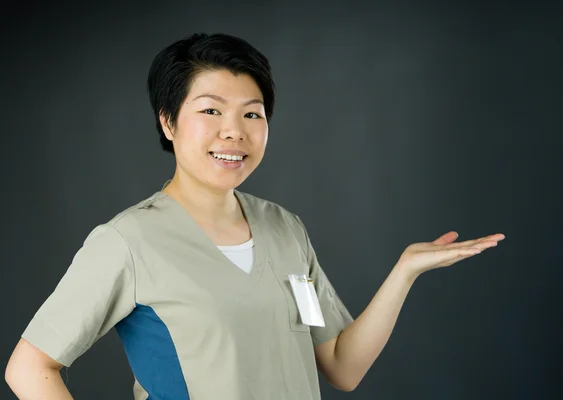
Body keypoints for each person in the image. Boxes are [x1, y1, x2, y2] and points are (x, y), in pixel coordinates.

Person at [5, 32, 505, 400]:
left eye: (252, 113)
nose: (234, 132)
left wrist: (405, 272)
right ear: (167, 121)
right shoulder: (128, 240)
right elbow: (30, 368)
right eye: (210, 111)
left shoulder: (285, 229)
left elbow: (341, 366)